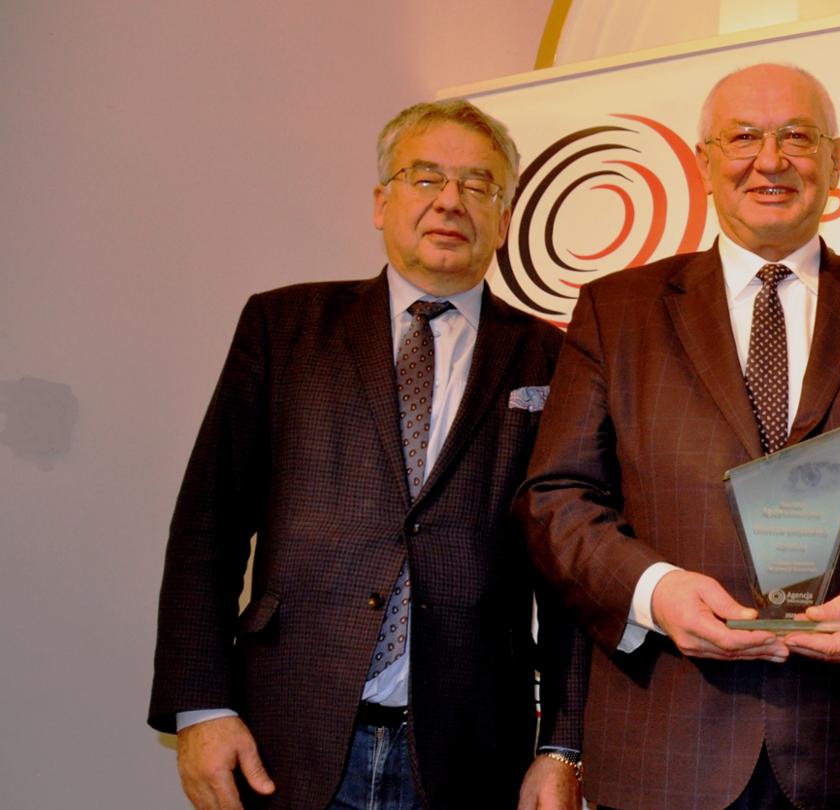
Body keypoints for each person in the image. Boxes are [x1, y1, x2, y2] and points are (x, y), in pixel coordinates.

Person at [515, 62, 840, 810]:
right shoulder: (617, 312)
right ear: (703, 161)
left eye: (797, 137)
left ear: (837, 160)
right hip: (667, 749)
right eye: (743, 137)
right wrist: (656, 593)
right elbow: (557, 497)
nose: (771, 160)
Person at [148, 99, 587, 810]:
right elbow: (209, 525)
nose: (450, 201)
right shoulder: (283, 327)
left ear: (505, 218)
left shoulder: (556, 358)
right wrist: (201, 707)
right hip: (286, 732)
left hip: (473, 749)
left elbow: (572, 572)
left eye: (478, 185)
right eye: (426, 177)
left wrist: (562, 744)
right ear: (382, 202)